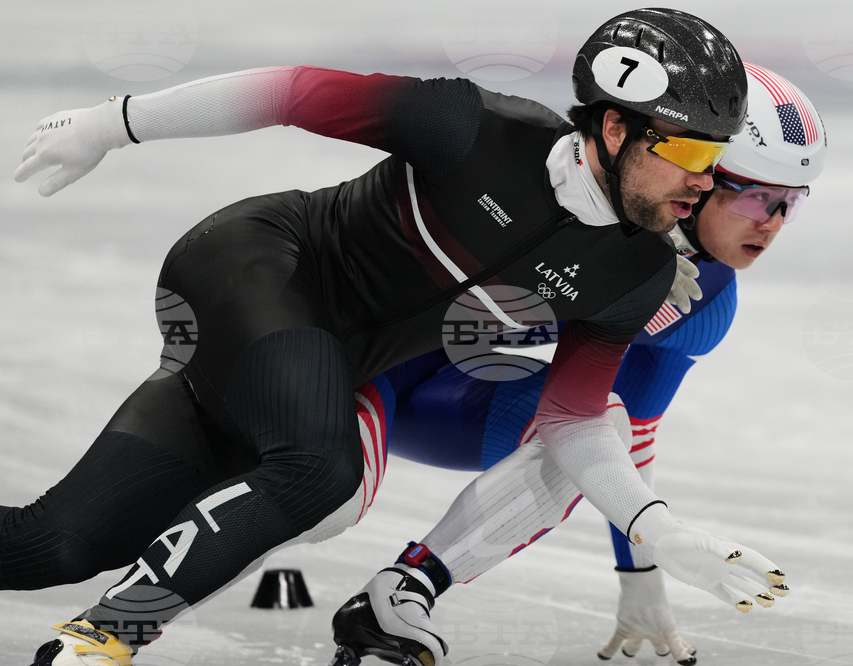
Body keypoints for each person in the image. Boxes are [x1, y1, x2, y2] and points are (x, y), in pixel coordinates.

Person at [6, 9, 778, 666]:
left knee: (57, 545)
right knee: (320, 470)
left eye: (718, 157)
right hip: (253, 266)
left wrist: (656, 529)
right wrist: (114, 124)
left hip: (321, 361)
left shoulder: (636, 274)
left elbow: (572, 421)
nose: (707, 181)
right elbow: (292, 92)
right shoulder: (475, 129)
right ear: (615, 127)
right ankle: (105, 637)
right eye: (693, 152)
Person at [327, 62, 826, 666]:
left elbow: (631, 438)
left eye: (788, 205)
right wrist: (608, 265)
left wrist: (641, 578)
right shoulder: (559, 190)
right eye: (754, 197)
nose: (770, 226)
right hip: (356, 344)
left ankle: (407, 589)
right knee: (313, 510)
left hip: (442, 393)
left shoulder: (703, 303)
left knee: (602, 423)